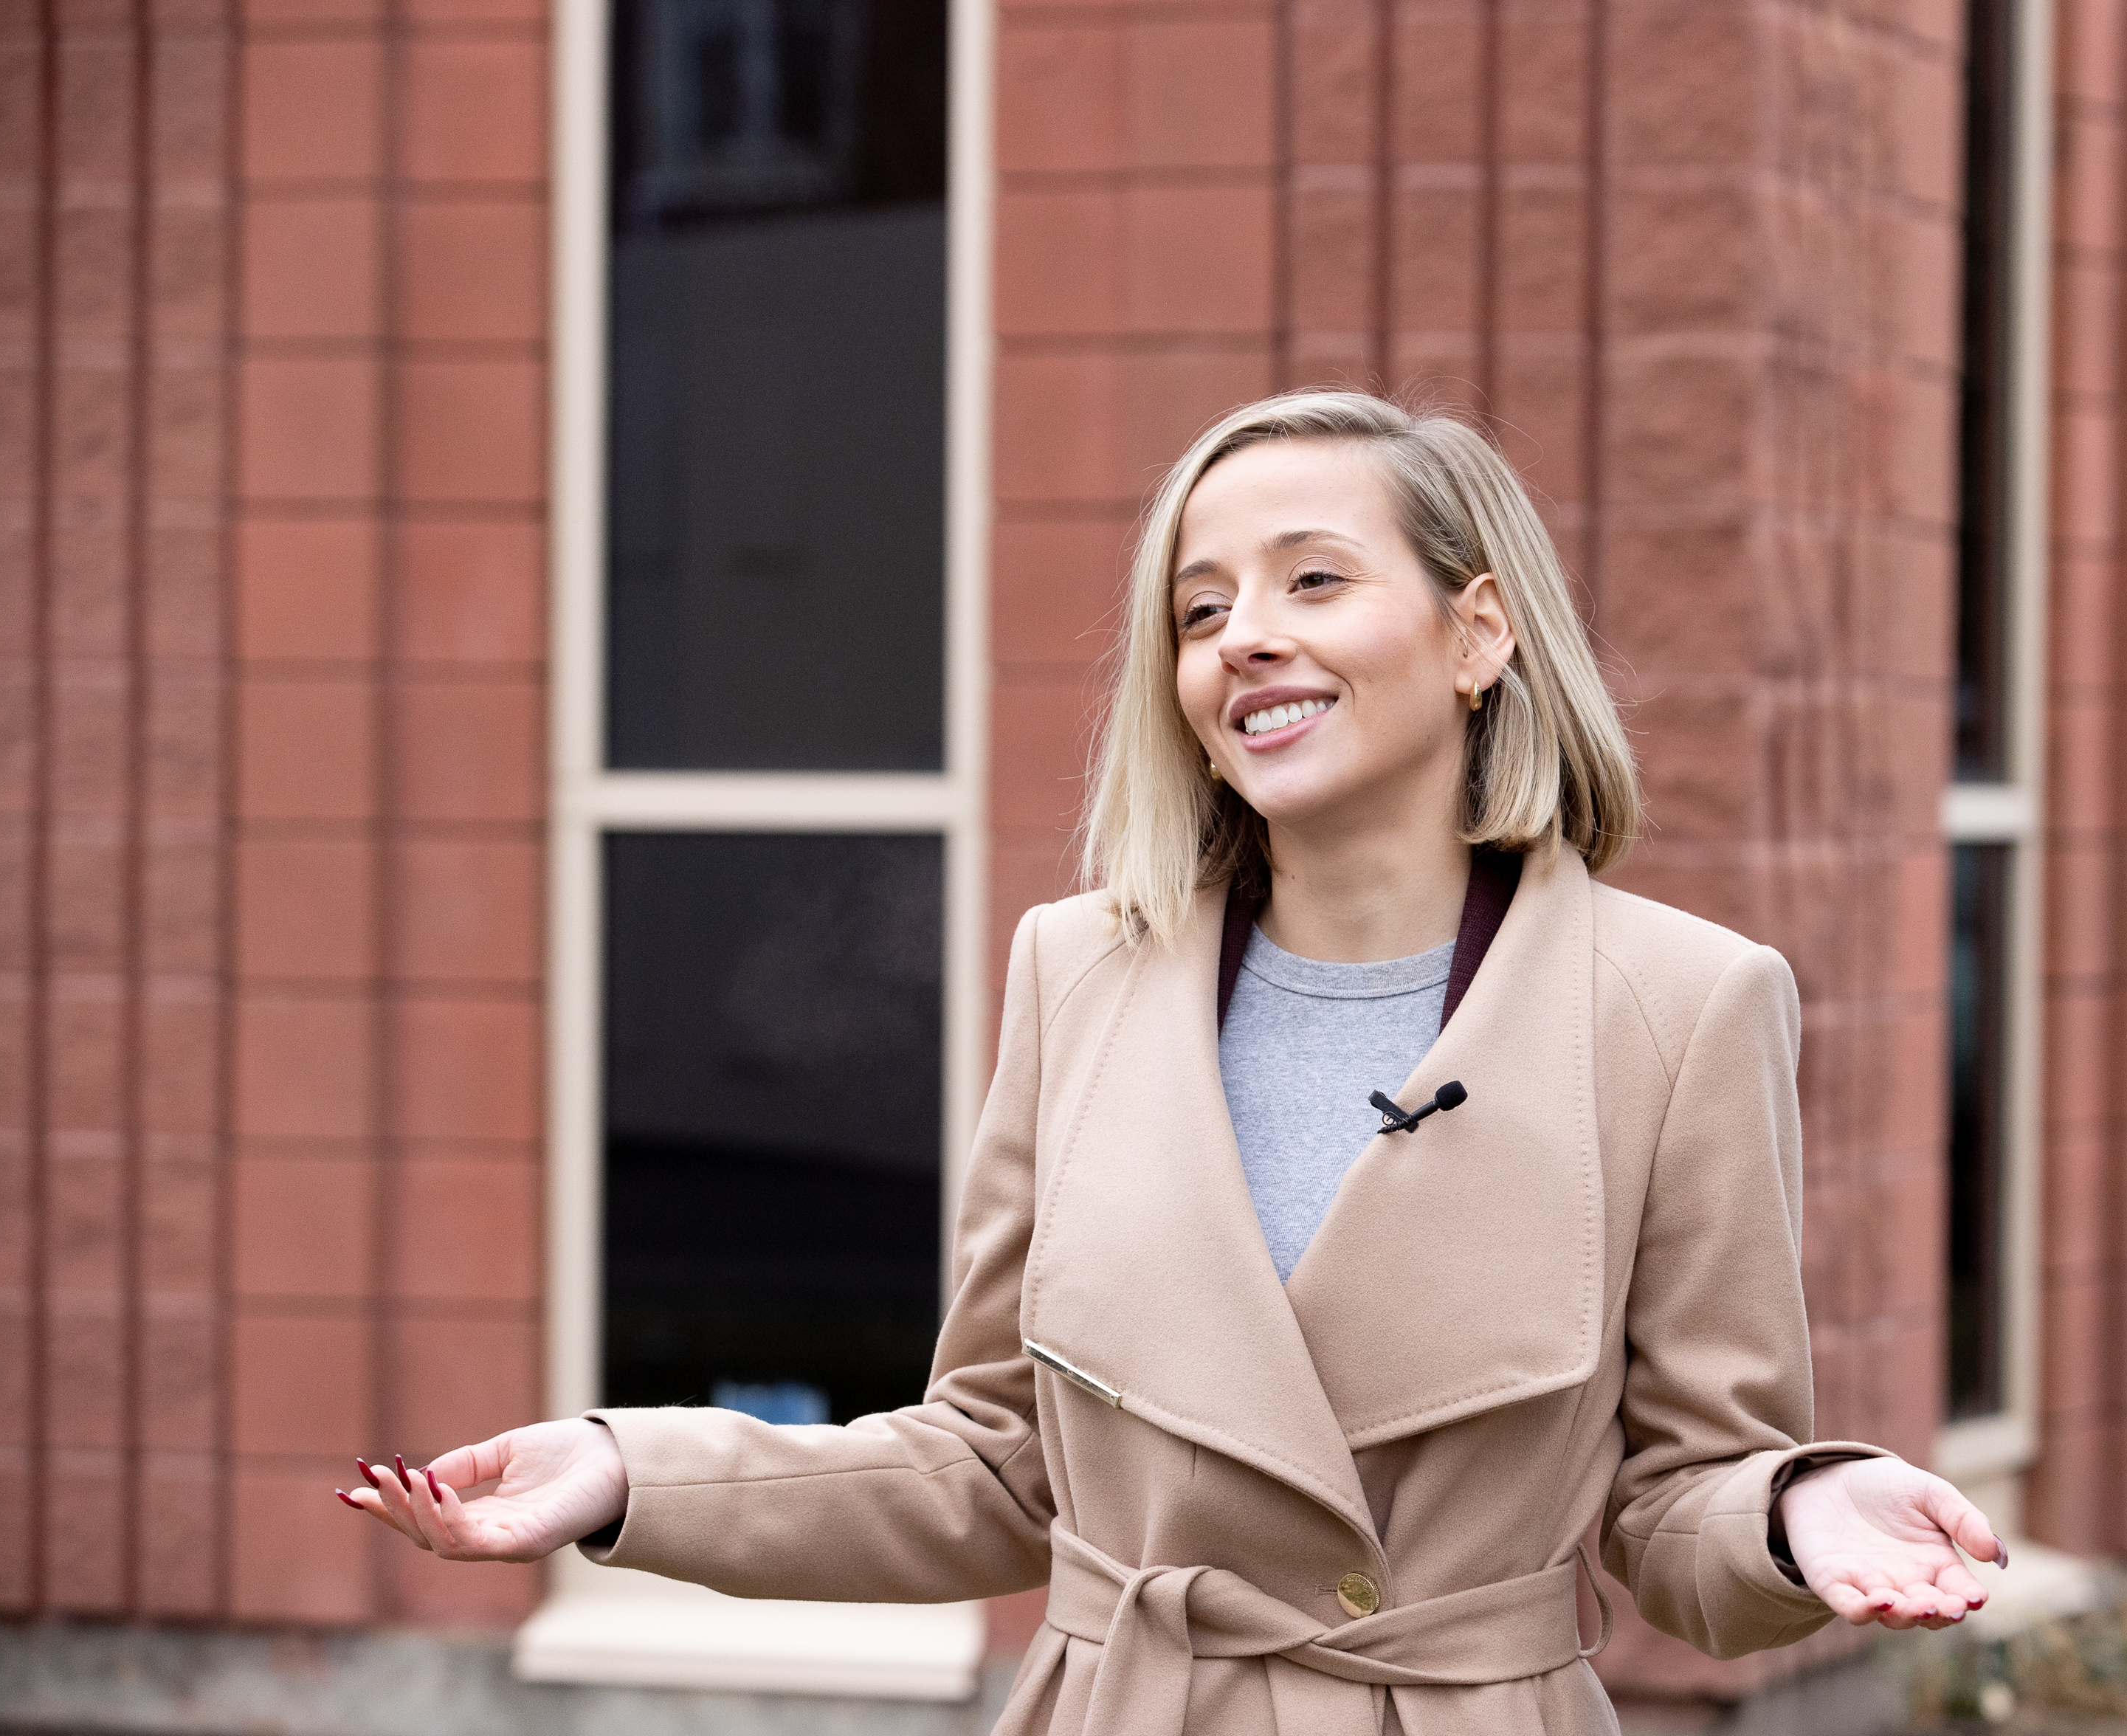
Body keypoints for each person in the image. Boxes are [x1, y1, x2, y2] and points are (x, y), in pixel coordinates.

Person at [339, 390, 2005, 1735]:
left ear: (1479, 632)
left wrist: (1800, 1512)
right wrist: (633, 1470)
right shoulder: (1081, 975)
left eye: (1313, 582)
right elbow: (993, 1465)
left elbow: (1679, 1507)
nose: (1244, 640)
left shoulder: (1682, 1004)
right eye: (1202, 610)